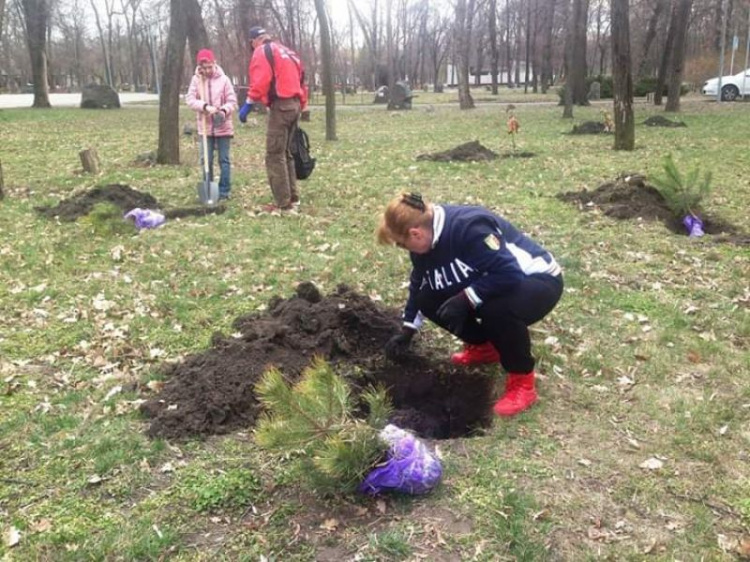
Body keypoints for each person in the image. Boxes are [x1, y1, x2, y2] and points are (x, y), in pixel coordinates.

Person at [378, 193, 563, 417]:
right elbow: (419, 285)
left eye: (401, 243)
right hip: (491, 280)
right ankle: (485, 348)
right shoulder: (424, 245)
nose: (403, 248)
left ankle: (522, 382)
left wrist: (465, 298)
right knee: (428, 297)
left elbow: (509, 273)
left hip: (537, 280)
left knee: (495, 309)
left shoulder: (470, 227)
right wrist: (408, 329)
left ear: (415, 233)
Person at [239, 26, 308, 212]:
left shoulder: (262, 51)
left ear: (254, 41)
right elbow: (302, 80)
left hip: (281, 106)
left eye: (251, 44)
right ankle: (293, 197)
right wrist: (303, 103)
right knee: (286, 153)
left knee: (274, 155)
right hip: (294, 105)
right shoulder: (287, 51)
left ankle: (283, 203)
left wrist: (248, 103)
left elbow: (260, 81)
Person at [185, 48, 237, 200]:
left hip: (223, 126)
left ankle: (224, 191)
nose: (207, 70)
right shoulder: (196, 80)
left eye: (210, 67)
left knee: (224, 160)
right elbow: (190, 99)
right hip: (205, 128)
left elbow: (232, 101)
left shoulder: (224, 80)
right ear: (200, 67)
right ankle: (209, 189)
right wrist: (205, 107)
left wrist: (223, 111)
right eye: (204, 68)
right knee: (206, 160)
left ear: (215, 63)